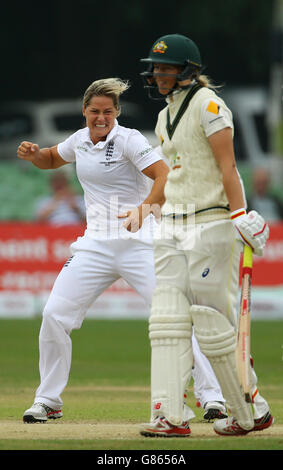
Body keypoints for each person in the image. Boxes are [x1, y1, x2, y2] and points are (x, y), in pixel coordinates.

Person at [17, 77, 222, 424]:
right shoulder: (80, 141)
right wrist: (35, 154)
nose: (101, 118)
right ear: (84, 111)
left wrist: (143, 209)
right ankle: (48, 400)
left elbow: (163, 176)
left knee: (176, 318)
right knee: (54, 315)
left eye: (108, 112)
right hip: (94, 245)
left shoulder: (128, 139)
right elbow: (52, 159)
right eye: (95, 111)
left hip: (141, 242)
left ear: (116, 112)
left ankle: (212, 397)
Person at [138, 33, 274, 437]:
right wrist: (150, 208)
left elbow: (228, 165)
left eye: (166, 67)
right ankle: (169, 415)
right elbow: (175, 172)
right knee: (166, 319)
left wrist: (239, 214)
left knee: (214, 323)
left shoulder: (209, 105)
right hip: (172, 225)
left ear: (187, 70)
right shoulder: (164, 116)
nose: (158, 74)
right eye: (156, 67)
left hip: (210, 222)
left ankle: (250, 410)